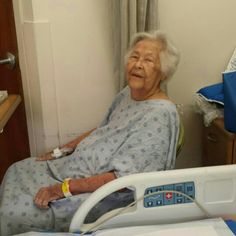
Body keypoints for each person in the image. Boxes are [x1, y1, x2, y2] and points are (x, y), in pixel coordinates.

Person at [0, 30, 180, 235]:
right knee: (17, 168)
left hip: (101, 196)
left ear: (164, 72)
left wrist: (62, 189)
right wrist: (60, 151)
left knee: (10, 213)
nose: (138, 64)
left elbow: (124, 181)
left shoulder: (160, 115)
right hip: (71, 169)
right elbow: (103, 130)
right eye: (134, 56)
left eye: (148, 60)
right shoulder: (128, 94)